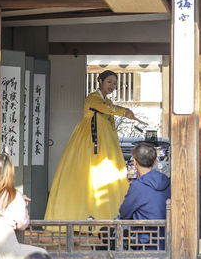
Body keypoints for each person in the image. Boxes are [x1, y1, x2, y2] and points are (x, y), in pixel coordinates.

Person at [45, 70, 143, 220]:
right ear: (100, 81)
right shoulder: (93, 99)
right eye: (109, 82)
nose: (112, 85)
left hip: (106, 144)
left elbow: (110, 123)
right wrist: (124, 111)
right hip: (88, 141)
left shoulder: (107, 102)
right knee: (85, 176)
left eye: (115, 83)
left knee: (105, 176)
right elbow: (104, 108)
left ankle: (105, 215)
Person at [0, 154, 49, 259]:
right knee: (43, 255)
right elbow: (23, 224)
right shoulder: (13, 197)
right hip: (6, 253)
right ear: (10, 174)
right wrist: (22, 202)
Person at [118, 142, 171, 250]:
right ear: (155, 160)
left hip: (145, 244)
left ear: (135, 162)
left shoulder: (138, 186)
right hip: (168, 242)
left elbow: (124, 213)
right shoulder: (167, 182)